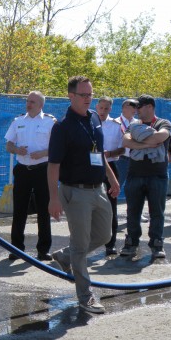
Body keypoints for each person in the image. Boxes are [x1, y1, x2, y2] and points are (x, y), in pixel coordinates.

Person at [48, 76, 120, 314]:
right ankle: (85, 296)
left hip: (98, 189)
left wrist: (111, 178)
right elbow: (53, 165)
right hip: (75, 191)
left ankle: (65, 256)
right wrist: (54, 198)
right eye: (83, 95)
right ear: (71, 96)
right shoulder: (62, 127)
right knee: (80, 245)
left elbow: (98, 153)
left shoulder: (94, 118)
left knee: (105, 235)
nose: (88, 99)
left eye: (90, 94)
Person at [4, 91, 56, 261]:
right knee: (19, 210)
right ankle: (16, 248)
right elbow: (8, 145)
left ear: (41, 105)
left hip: (42, 170)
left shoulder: (50, 121)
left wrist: (43, 153)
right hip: (23, 170)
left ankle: (43, 250)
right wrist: (16, 149)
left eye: (32, 101)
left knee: (44, 210)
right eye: (27, 101)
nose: (28, 104)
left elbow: (57, 147)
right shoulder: (18, 121)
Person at [119, 94, 171, 259]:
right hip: (135, 175)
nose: (136, 110)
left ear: (149, 107)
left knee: (157, 212)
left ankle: (156, 243)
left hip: (157, 176)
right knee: (133, 212)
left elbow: (160, 136)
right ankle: (131, 243)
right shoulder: (134, 125)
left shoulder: (163, 123)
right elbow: (126, 142)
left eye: (139, 106)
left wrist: (138, 142)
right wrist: (148, 143)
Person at [96, 96, 125, 256]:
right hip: (91, 167)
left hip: (111, 166)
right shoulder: (89, 122)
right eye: (101, 108)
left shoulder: (116, 126)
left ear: (110, 109)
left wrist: (111, 153)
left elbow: (123, 148)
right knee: (89, 205)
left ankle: (111, 244)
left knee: (111, 206)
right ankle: (88, 242)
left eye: (106, 108)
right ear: (96, 107)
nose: (103, 111)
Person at [114, 99, 139, 192]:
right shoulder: (115, 122)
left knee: (135, 189)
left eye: (137, 107)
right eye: (133, 107)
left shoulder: (138, 123)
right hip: (120, 159)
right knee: (115, 187)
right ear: (124, 108)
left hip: (136, 159)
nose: (136, 109)